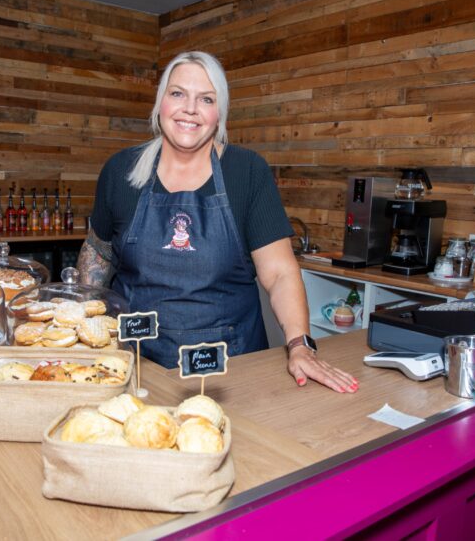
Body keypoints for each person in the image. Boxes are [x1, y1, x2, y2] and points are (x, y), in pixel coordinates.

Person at [76, 51, 358, 393]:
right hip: (136, 364)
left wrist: (300, 345)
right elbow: (98, 251)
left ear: (219, 112)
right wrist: (84, 327)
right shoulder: (120, 171)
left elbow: (280, 273)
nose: (189, 109)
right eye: (177, 93)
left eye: (205, 99)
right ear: (160, 102)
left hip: (230, 369)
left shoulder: (247, 172)